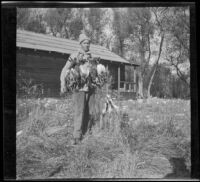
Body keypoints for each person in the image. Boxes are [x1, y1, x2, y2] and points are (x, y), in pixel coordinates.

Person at [60, 33, 97, 145]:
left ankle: (86, 133)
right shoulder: (75, 55)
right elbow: (65, 69)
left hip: (90, 89)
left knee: (89, 112)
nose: (87, 45)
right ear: (80, 44)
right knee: (79, 112)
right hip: (79, 89)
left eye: (88, 43)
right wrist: (62, 83)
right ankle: (76, 137)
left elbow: (94, 72)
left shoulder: (91, 57)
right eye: (85, 43)